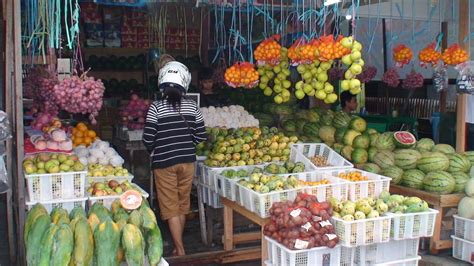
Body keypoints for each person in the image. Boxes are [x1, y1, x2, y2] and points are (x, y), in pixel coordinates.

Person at [143, 61, 207, 256]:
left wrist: (157, 148)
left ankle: (180, 249)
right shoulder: (192, 107)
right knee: (182, 203)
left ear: (162, 83)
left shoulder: (156, 108)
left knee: (170, 206)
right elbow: (201, 136)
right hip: (188, 161)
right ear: (184, 83)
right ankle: (178, 245)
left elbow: (148, 138)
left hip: (164, 163)